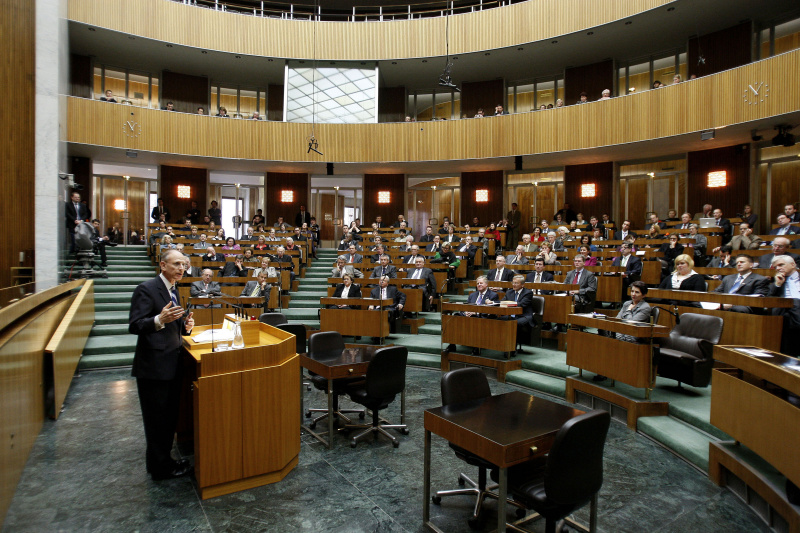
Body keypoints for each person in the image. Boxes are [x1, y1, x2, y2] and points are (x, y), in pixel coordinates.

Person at [128, 249, 194, 480]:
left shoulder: (173, 290)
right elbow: (135, 325)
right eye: (176, 264)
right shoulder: (146, 289)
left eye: (183, 265)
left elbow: (170, 325)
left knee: (167, 418)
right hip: (154, 367)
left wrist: (185, 326)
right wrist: (159, 319)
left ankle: (163, 461)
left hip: (172, 363)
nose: (181, 268)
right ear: (163, 265)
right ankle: (160, 468)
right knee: (156, 420)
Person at [594, 281, 653, 382]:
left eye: (637, 292)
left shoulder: (645, 308)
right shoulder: (626, 303)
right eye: (632, 291)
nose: (633, 294)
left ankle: (604, 371)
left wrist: (629, 310)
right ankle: (602, 369)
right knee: (601, 335)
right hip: (620, 331)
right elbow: (618, 319)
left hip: (632, 336)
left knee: (606, 341)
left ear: (644, 295)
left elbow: (631, 323)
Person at [446, 276, 500, 354]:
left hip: (483, 318)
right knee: (455, 317)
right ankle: (452, 345)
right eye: (477, 283)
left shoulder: (493, 295)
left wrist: (476, 312)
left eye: (481, 283)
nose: (479, 285)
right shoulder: (472, 295)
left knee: (474, 318)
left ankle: (476, 347)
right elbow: (467, 306)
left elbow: (492, 310)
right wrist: (466, 311)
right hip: (469, 315)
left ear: (486, 284)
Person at [767, 255, 800, 356]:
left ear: (793, 264)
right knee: (790, 307)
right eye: (776, 266)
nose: (778, 268)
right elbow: (768, 299)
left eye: (781, 265)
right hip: (785, 311)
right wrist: (778, 284)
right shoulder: (775, 281)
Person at [501, 274, 535, 355]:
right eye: (513, 283)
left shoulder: (528, 292)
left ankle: (512, 348)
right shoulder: (509, 292)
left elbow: (521, 304)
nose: (514, 285)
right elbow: (502, 302)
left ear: (522, 285)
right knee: (499, 320)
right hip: (512, 315)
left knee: (514, 323)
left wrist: (509, 303)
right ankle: (503, 345)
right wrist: (493, 302)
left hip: (524, 315)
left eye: (516, 283)